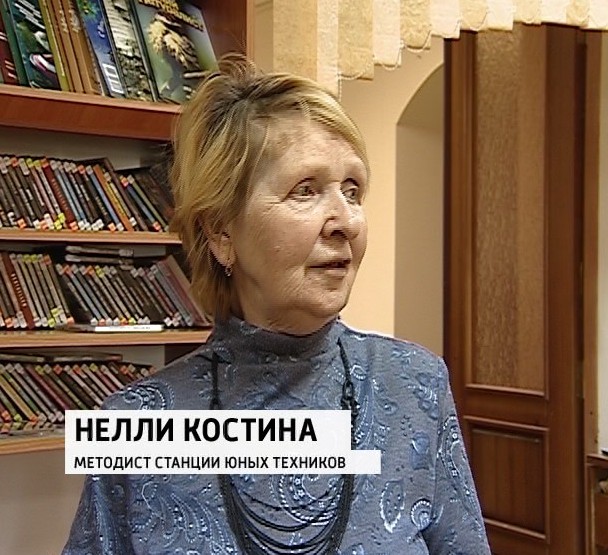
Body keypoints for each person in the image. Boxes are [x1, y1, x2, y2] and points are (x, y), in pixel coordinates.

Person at [63, 55, 491, 555]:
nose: (346, 222)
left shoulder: (416, 386)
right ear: (221, 232)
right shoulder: (135, 425)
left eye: (353, 190)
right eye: (305, 190)